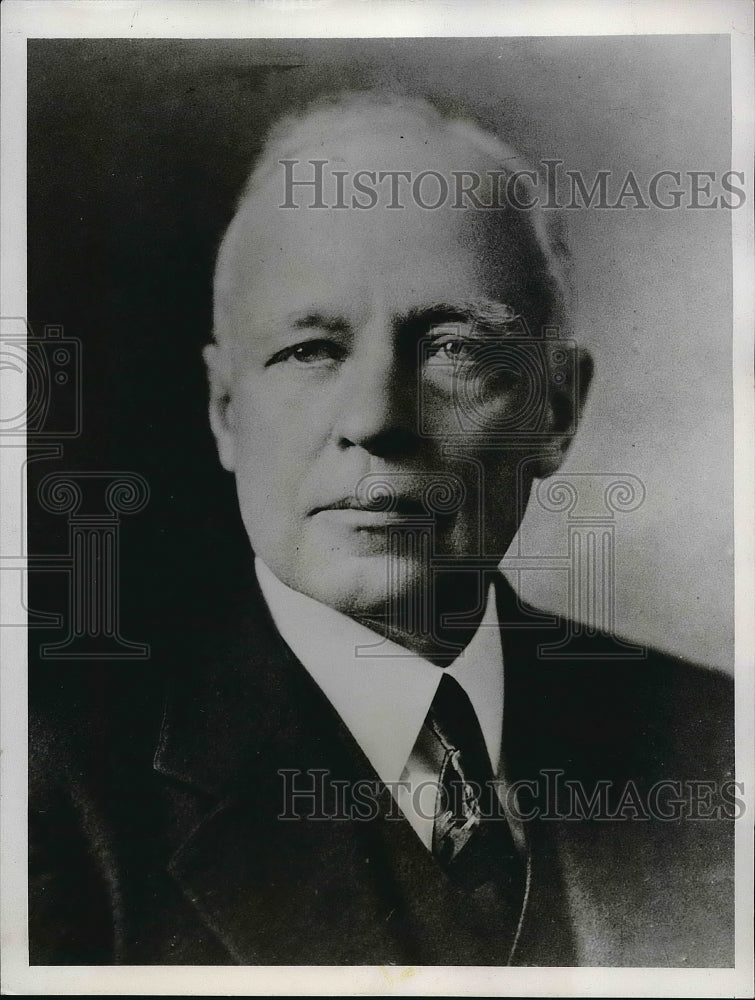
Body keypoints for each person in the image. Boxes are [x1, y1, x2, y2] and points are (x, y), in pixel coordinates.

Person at [29, 92, 734, 967]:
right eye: (309, 350)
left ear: (556, 410)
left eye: (453, 347)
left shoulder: (718, 742)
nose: (374, 416)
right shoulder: (46, 789)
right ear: (224, 412)